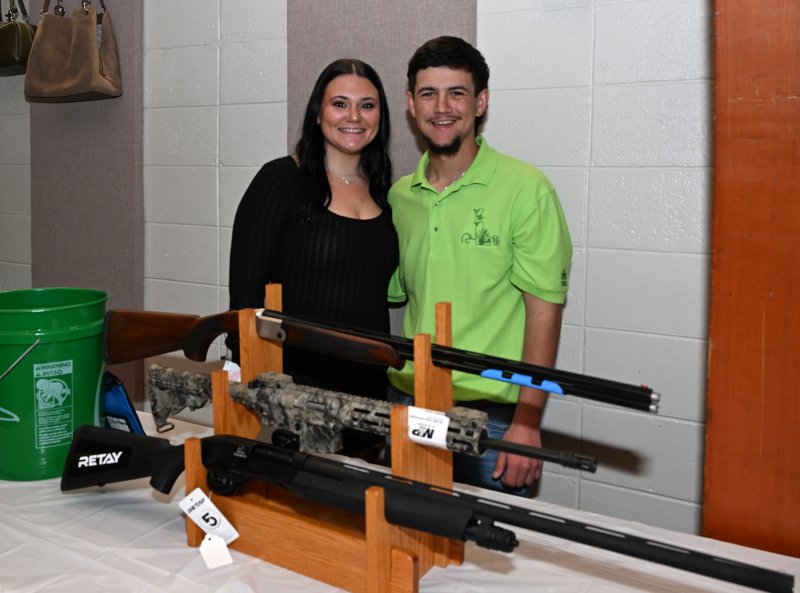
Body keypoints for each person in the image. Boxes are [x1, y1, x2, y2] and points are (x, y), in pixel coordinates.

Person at [387, 37, 573, 494]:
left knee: (490, 555)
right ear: (411, 104)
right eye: (428, 93)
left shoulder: (526, 190)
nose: (442, 107)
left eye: (457, 93)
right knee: (408, 547)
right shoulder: (400, 197)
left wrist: (528, 422)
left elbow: (544, 312)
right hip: (409, 404)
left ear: (481, 102)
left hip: (494, 420)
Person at [227, 59, 398, 455]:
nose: (354, 116)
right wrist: (255, 389)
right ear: (317, 113)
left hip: (369, 398)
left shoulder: (385, 193)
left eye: (367, 105)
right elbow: (245, 299)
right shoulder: (281, 179)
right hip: (295, 396)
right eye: (340, 103)